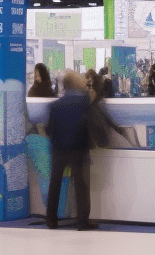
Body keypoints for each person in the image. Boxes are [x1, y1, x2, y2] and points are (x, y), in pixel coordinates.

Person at [45, 70, 99, 231]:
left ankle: (51, 220)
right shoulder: (84, 100)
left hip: (58, 148)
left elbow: (49, 130)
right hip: (79, 148)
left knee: (55, 184)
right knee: (81, 186)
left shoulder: (54, 106)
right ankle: (82, 222)